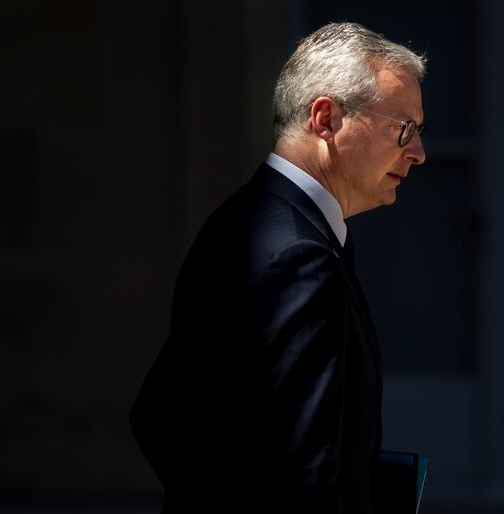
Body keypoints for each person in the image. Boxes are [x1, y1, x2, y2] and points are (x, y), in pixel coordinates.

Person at [129, 22, 426, 514]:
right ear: (325, 119)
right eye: (404, 128)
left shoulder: (253, 220)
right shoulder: (296, 254)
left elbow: (158, 415)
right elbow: (301, 481)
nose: (417, 153)